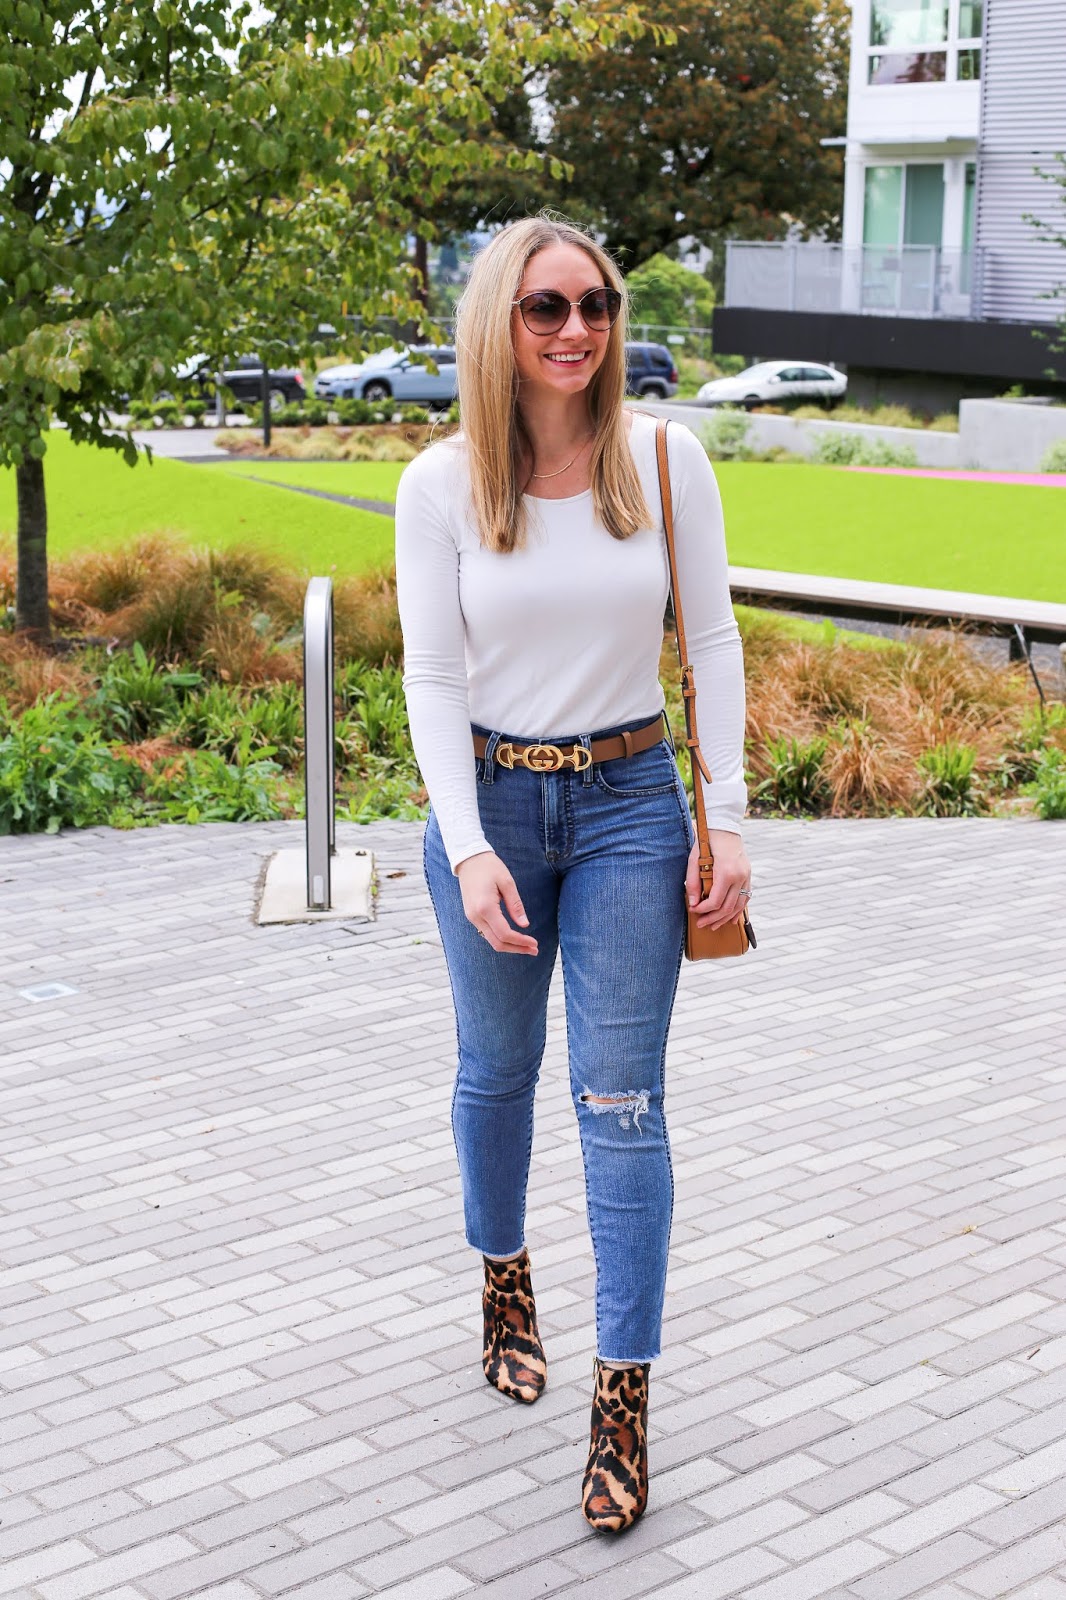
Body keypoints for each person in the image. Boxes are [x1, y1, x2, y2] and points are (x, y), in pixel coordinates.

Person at [394, 215, 751, 1533]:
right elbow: (431, 677)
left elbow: (709, 644)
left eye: (593, 304)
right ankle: (502, 1277)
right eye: (543, 308)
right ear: (498, 321)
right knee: (494, 1074)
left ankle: (622, 1399)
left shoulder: (665, 460)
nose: (573, 331)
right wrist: (468, 841)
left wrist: (730, 821)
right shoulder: (439, 482)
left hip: (627, 810)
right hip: (486, 800)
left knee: (622, 1107)